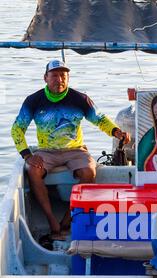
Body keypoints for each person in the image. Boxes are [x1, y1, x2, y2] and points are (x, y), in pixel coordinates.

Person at [11, 59, 130, 240]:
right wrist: (27, 155)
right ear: (45, 78)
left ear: (68, 78)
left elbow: (99, 119)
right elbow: (17, 128)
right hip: (46, 150)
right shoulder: (33, 100)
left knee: (89, 171)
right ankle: (51, 220)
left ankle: (67, 220)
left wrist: (116, 131)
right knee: (32, 170)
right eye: (55, 75)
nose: (59, 80)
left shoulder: (79, 99)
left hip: (75, 149)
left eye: (63, 75)